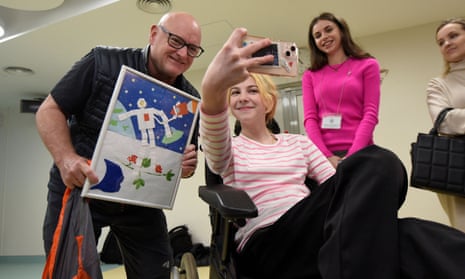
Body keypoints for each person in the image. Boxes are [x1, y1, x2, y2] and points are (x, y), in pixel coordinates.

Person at [200, 27, 465, 279]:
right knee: (379, 177)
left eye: (252, 90)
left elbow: (337, 187)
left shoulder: (298, 143)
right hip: (269, 241)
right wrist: (213, 88)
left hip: (319, 233)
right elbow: (214, 142)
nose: (242, 97)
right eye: (234, 92)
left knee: (396, 197)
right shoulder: (229, 147)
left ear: (269, 100)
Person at [35, 11, 202, 279]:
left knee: (157, 272)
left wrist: (184, 167)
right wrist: (66, 158)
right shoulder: (102, 62)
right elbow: (49, 110)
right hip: (83, 191)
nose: (183, 54)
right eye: (176, 41)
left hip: (141, 201)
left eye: (192, 49)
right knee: (69, 272)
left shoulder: (190, 99)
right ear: (154, 34)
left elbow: (186, 166)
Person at [302, 12, 381, 168]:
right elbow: (310, 119)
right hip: (323, 158)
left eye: (328, 30)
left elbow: (370, 113)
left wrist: (353, 155)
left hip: (360, 152)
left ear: (341, 31)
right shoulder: (310, 75)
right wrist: (326, 156)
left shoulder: (368, 65)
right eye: (317, 35)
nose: (323, 37)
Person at [426, 18, 465, 232]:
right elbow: (444, 122)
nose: (447, 44)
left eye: (453, 36)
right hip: (459, 169)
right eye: (440, 42)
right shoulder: (438, 85)